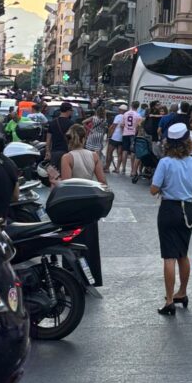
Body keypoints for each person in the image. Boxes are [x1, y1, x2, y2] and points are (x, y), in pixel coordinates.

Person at [150, 123, 192, 315]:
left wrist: (164, 186)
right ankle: (182, 292)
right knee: (183, 253)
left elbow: (153, 189)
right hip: (188, 209)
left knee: (169, 256)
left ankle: (169, 300)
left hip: (169, 208)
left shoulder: (165, 163)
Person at [59, 123, 107, 286]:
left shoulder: (67, 157)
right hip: (91, 205)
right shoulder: (94, 156)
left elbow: (67, 185)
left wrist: (55, 181)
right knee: (90, 244)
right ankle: (91, 278)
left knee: (72, 243)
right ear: (84, 138)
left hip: (74, 207)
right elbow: (102, 182)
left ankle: (72, 280)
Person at [45, 101, 74, 170]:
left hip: (54, 153)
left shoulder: (52, 123)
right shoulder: (72, 124)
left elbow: (48, 139)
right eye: (71, 111)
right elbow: (74, 139)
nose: (72, 112)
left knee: (54, 173)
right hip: (67, 152)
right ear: (68, 111)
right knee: (66, 172)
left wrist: (47, 151)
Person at [121, 101, 143, 182]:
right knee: (133, 152)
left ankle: (123, 168)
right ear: (138, 106)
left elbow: (122, 125)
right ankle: (132, 170)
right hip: (133, 134)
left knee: (125, 151)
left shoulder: (125, 114)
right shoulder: (138, 115)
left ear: (131, 105)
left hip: (125, 133)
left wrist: (124, 130)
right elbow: (139, 126)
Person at [106, 104, 126, 172]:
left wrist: (109, 135)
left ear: (121, 110)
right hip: (122, 137)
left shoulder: (118, 116)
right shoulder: (126, 116)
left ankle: (107, 167)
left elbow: (113, 127)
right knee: (119, 153)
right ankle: (117, 169)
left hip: (115, 137)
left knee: (109, 152)